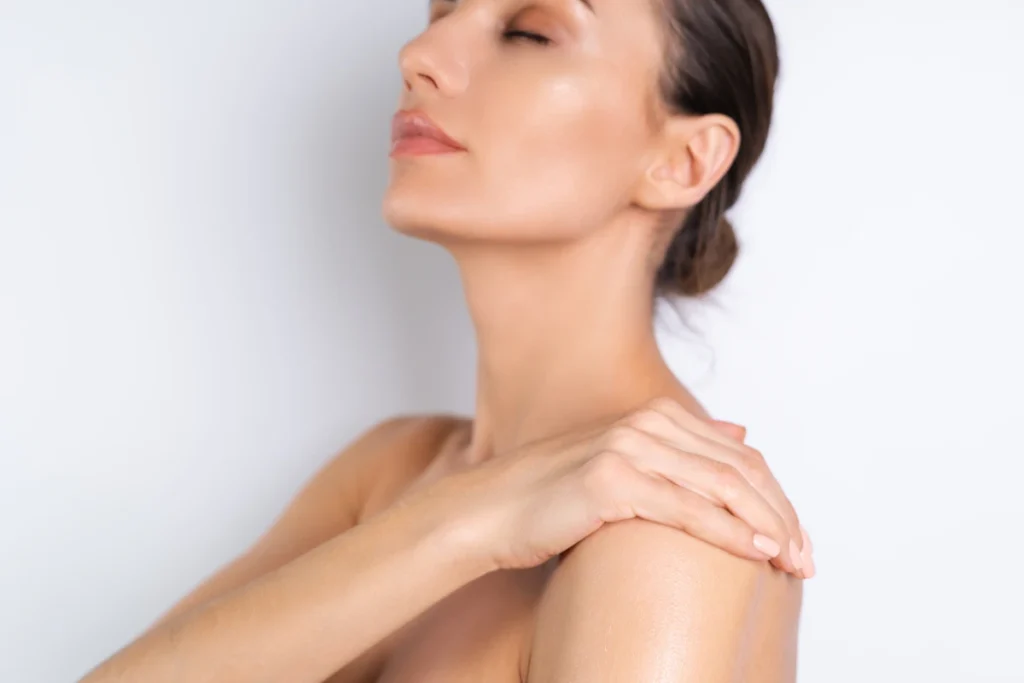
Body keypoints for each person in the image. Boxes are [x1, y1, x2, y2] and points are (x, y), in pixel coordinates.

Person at [80, 0, 814, 681]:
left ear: (683, 161)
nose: (420, 52)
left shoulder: (670, 524)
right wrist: (471, 518)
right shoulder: (392, 471)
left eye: (529, 31)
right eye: (442, 11)